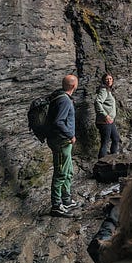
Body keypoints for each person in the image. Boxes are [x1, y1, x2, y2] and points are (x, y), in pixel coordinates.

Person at [47, 74, 79, 218]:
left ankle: (66, 200)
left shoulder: (60, 97)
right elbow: (58, 122)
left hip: (63, 142)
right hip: (61, 142)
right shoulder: (65, 101)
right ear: (73, 86)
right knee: (60, 174)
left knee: (68, 171)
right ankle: (56, 206)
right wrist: (70, 135)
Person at [94, 72, 121, 159]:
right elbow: (97, 102)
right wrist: (105, 115)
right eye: (107, 79)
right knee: (105, 142)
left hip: (110, 121)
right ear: (103, 81)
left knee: (116, 138)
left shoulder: (108, 91)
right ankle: (101, 163)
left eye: (110, 79)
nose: (109, 80)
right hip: (104, 121)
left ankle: (113, 159)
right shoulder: (103, 90)